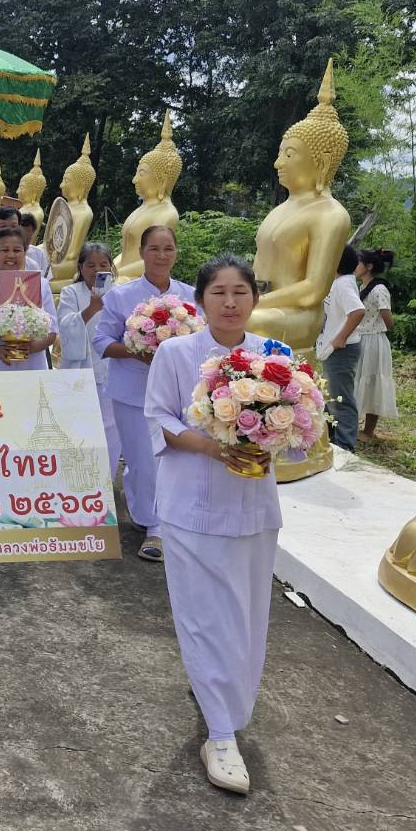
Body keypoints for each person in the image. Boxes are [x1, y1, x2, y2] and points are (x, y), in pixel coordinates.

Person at [144, 255, 281, 795]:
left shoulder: (276, 357)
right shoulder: (176, 353)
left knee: (245, 614)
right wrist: (214, 445)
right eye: (219, 292)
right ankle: (220, 735)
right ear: (200, 300)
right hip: (191, 507)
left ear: (254, 298)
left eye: (240, 292)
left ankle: (228, 702)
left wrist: (274, 438)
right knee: (203, 615)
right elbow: (160, 417)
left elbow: (296, 424)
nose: (230, 302)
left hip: (252, 505)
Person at [92, 225, 194, 563]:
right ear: (142, 252)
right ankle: (151, 523)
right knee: (140, 460)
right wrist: (138, 351)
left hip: (177, 392)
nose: (161, 256)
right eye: (154, 249)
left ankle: (156, 523)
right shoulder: (121, 296)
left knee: (169, 459)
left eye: (168, 249)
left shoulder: (190, 296)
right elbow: (102, 341)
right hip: (132, 390)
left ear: (176, 252)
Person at [57, 243, 121, 480]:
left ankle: (106, 479)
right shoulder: (71, 293)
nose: (97, 270)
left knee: (111, 428)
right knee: (77, 426)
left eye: (103, 264)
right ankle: (75, 480)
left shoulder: (119, 293)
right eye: (91, 265)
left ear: (111, 267)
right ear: (81, 268)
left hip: (111, 367)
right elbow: (64, 326)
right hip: (80, 367)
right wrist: (91, 309)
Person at [0, 228, 55, 371]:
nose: (11, 255)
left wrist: (30, 348)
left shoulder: (41, 284)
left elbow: (52, 331)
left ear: (25, 253)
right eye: (5, 250)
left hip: (32, 366)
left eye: (17, 250)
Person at [318, 244, 365, 452]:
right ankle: (334, 438)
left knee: (341, 398)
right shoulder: (340, 282)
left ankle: (345, 445)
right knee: (332, 396)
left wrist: (341, 337)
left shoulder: (343, 284)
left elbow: (357, 311)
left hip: (341, 351)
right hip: (334, 350)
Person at [355, 249, 398, 441]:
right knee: (358, 379)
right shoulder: (361, 287)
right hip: (359, 338)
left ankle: (368, 431)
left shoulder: (379, 289)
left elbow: (388, 320)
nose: (355, 266)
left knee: (373, 382)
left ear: (369, 266)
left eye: (358, 262)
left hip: (373, 340)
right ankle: (355, 424)